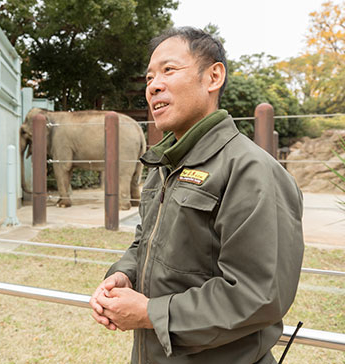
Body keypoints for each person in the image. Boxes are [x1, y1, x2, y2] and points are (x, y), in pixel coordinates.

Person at [89, 26, 304, 364]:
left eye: (169, 70)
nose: (154, 85)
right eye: (148, 78)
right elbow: (144, 242)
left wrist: (149, 313)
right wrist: (122, 275)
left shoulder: (250, 170)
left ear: (213, 76)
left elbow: (258, 295)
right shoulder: (165, 165)